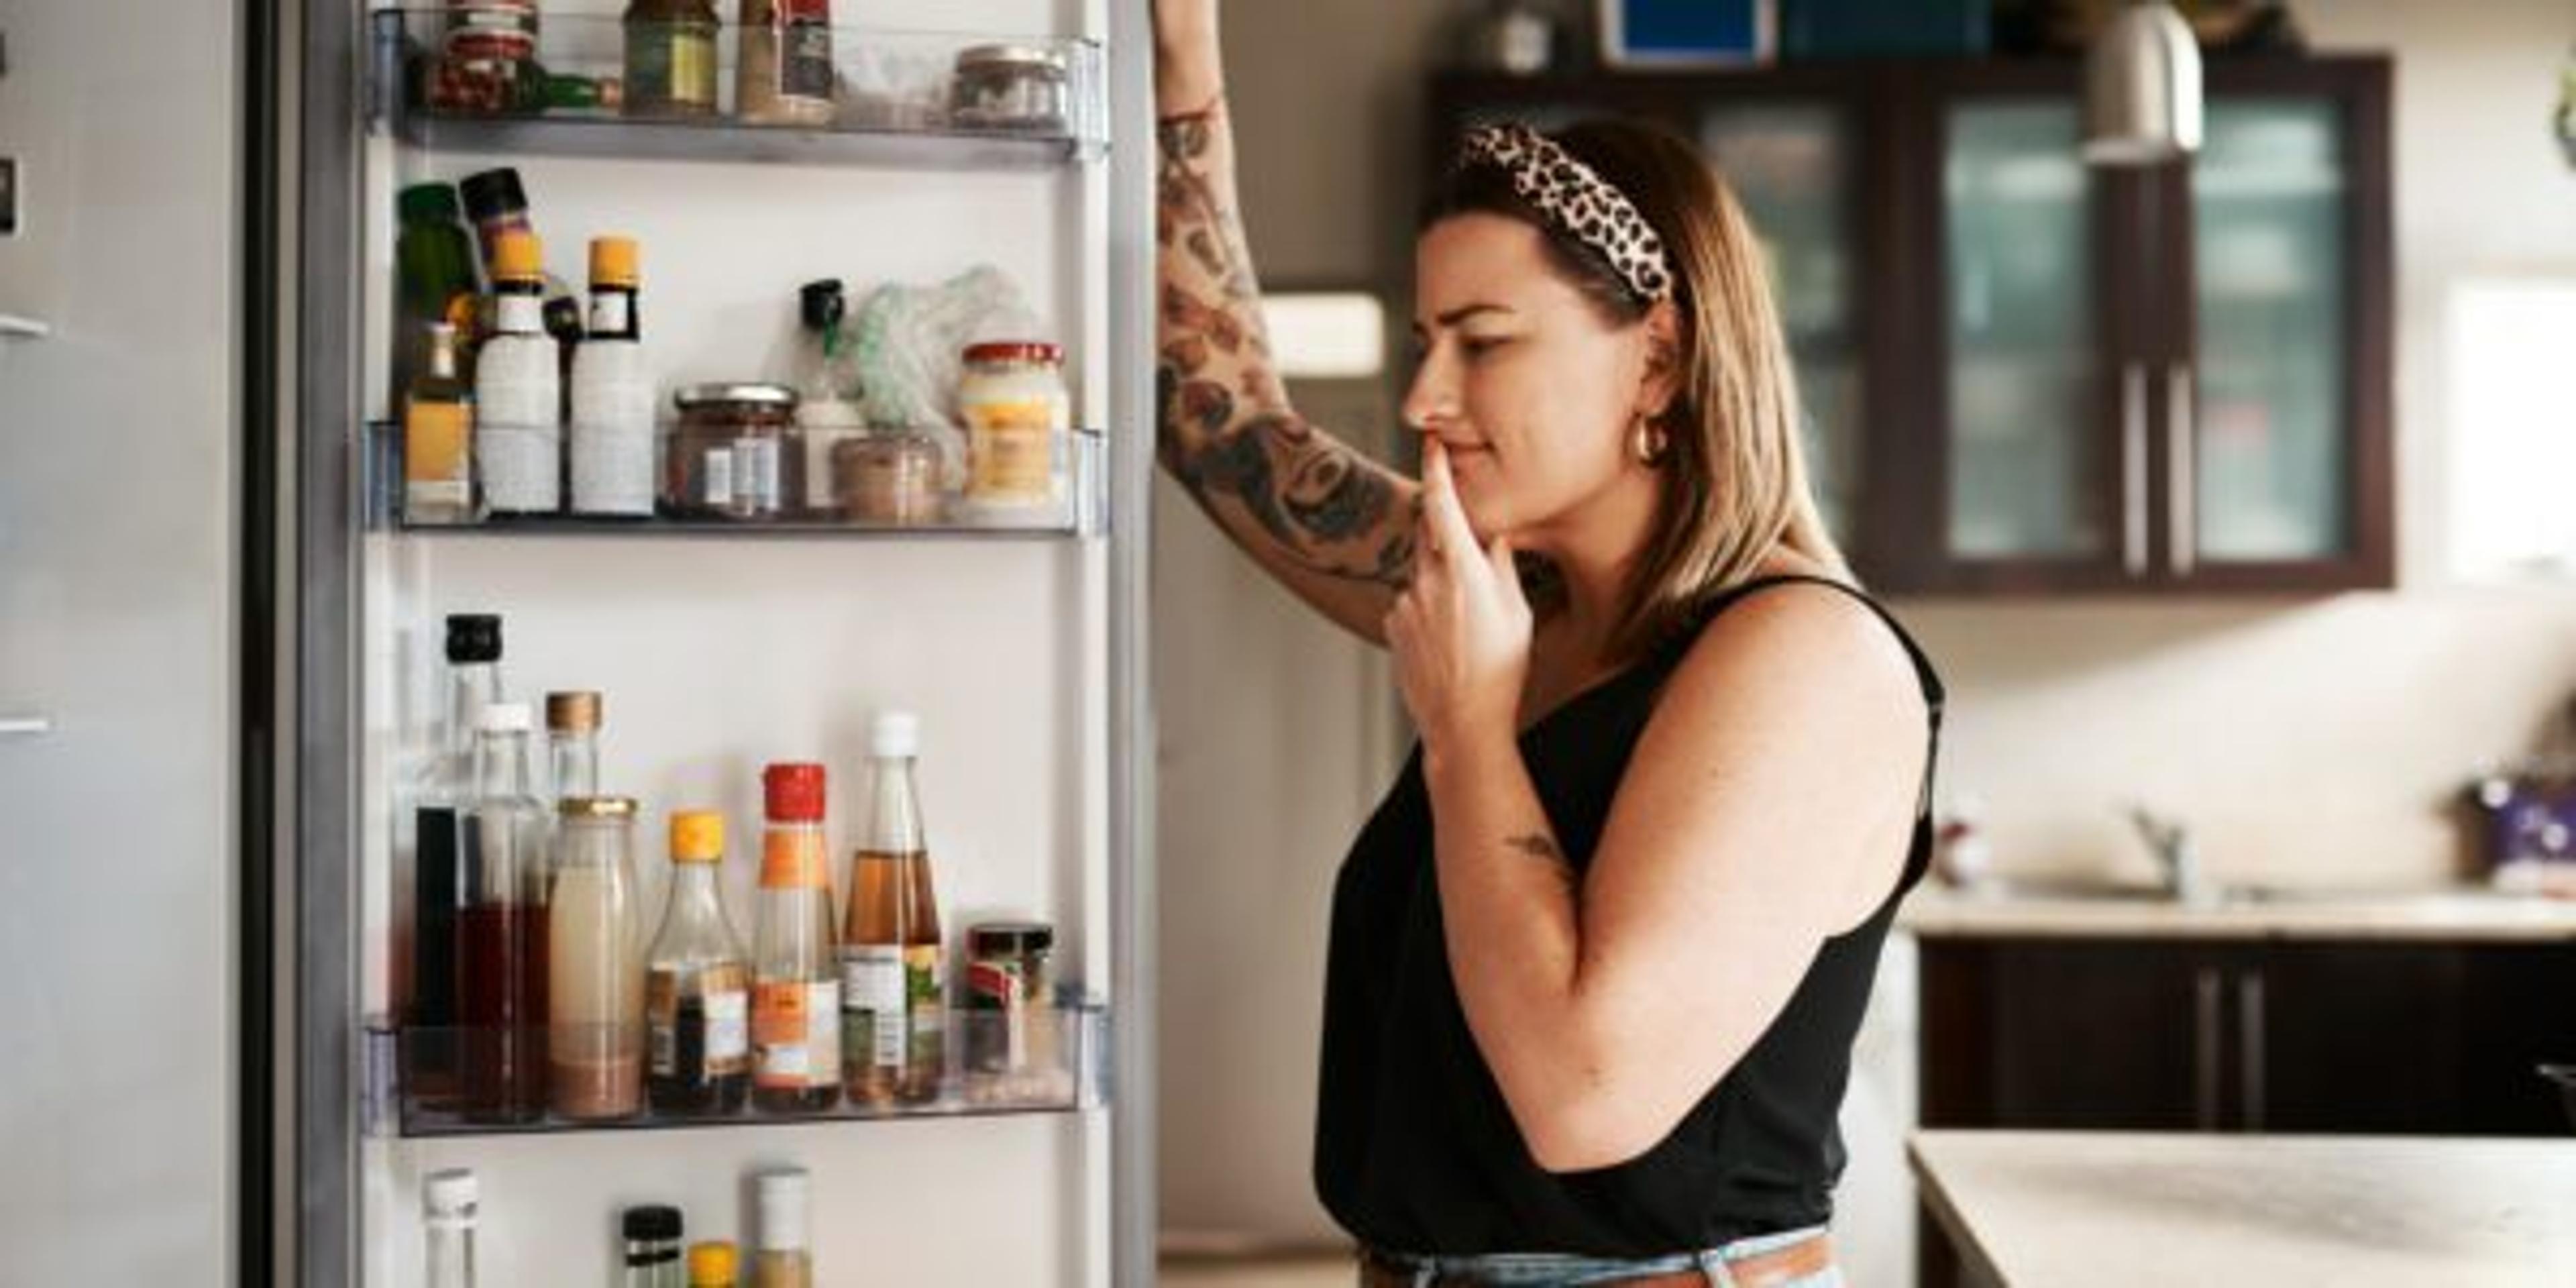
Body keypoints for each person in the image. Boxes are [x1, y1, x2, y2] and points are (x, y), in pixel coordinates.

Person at [1153, 4, 1944, 1285]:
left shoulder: (1803, 659)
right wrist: (1187, 71)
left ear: (1660, 360)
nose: (1423, 398)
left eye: (1487, 340)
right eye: (1426, 343)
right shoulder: (1525, 600)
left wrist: (1468, 728)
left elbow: (1586, 1097)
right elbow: (1226, 434)